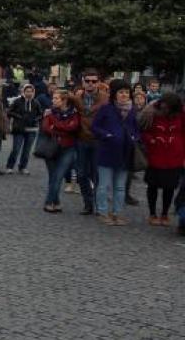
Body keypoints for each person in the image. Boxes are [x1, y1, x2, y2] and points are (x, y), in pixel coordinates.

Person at [91, 79, 139, 226]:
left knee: (120, 186)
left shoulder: (132, 110)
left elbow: (136, 129)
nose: (124, 95)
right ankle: (103, 211)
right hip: (107, 152)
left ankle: (117, 212)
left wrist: (135, 137)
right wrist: (106, 135)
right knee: (104, 185)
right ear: (114, 94)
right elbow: (95, 127)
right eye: (121, 92)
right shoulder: (106, 108)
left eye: (126, 92)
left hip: (125, 153)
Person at [139, 92, 184, 227]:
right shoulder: (151, 113)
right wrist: (151, 140)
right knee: (152, 185)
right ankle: (152, 213)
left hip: (174, 156)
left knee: (169, 187)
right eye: (163, 107)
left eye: (168, 108)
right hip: (156, 154)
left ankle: (164, 214)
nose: (165, 110)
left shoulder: (181, 114)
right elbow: (143, 131)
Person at [40, 89, 81, 214]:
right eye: (53, 98)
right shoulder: (49, 113)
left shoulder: (74, 114)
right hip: (51, 148)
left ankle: (49, 202)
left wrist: (56, 126)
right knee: (53, 176)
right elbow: (46, 128)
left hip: (67, 148)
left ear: (64, 101)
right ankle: (56, 202)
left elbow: (73, 127)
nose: (53, 100)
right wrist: (63, 128)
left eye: (56, 98)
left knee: (58, 176)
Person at [74, 68, 105, 215]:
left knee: (97, 174)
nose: (91, 84)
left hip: (98, 141)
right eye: (88, 81)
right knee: (81, 174)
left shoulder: (105, 99)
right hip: (81, 140)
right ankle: (88, 203)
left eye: (94, 81)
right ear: (83, 82)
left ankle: (99, 204)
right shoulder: (76, 98)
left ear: (98, 83)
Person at [5, 84, 42, 174]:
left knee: (27, 150)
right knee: (16, 149)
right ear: (23, 92)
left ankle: (23, 167)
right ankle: (10, 166)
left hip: (31, 129)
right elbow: (9, 111)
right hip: (19, 128)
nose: (29, 93)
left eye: (31, 91)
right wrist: (19, 117)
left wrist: (35, 119)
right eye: (27, 91)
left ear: (33, 92)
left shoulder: (36, 102)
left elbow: (40, 114)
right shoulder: (17, 101)